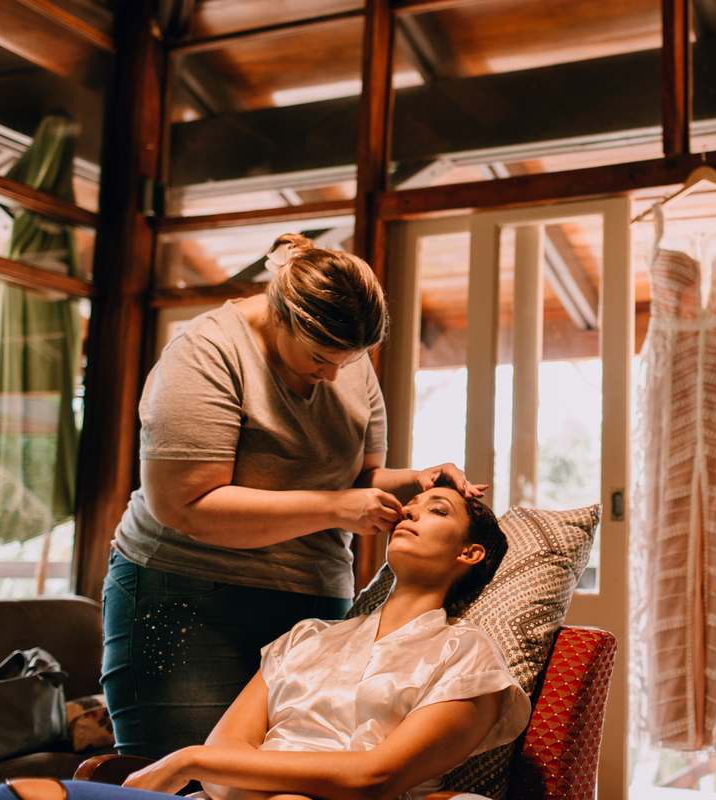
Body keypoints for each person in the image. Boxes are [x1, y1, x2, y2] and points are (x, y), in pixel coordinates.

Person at [102, 234, 486, 758]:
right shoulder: (209, 351)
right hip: (188, 597)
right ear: (282, 318)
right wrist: (334, 508)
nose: (334, 375)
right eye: (320, 358)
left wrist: (414, 479)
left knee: (284, 776)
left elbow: (359, 477)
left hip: (314, 601)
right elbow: (183, 505)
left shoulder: (344, 360)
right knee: (187, 780)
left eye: (349, 361)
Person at [0, 484, 529, 800]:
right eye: (412, 504)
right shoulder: (307, 639)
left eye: (437, 510)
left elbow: (374, 776)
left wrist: (187, 758)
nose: (409, 511)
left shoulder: (466, 655)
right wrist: (212, 767)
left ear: (470, 553)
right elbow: (222, 758)